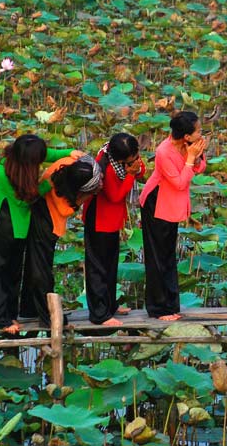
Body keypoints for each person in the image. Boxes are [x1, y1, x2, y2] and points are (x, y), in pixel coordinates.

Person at [0, 134, 81, 334]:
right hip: (3, 224)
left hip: (20, 226)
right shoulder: (3, 172)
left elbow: (49, 154)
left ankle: (11, 314)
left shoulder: (23, 159)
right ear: (28, 161)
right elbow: (23, 200)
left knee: (13, 273)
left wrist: (69, 152)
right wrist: (49, 183)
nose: (41, 162)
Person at [139, 112, 208, 321]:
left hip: (172, 203)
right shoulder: (164, 152)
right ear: (186, 136)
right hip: (156, 202)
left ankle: (170, 305)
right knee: (157, 256)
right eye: (198, 131)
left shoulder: (189, 146)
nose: (201, 134)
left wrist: (194, 157)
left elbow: (200, 168)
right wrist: (189, 160)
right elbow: (179, 182)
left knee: (169, 255)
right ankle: (158, 309)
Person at [24, 155, 102, 328]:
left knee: (35, 266)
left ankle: (28, 309)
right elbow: (66, 210)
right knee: (42, 270)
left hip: (41, 213)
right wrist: (87, 195)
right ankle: (48, 317)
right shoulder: (61, 194)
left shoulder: (65, 164)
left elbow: (77, 154)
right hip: (45, 221)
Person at [83, 133, 145, 327]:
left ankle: (110, 305)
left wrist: (135, 169)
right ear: (120, 159)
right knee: (98, 267)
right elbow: (116, 196)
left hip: (112, 219)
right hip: (99, 218)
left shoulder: (122, 156)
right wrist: (131, 175)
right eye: (132, 159)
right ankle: (99, 314)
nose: (136, 159)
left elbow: (141, 170)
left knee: (110, 264)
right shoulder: (106, 167)